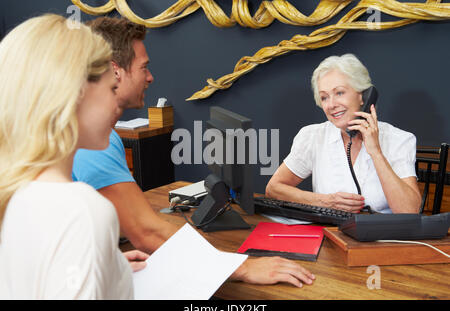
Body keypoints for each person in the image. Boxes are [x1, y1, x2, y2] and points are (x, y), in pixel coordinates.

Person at [73, 17, 316, 288]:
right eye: (144, 67)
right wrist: (242, 267)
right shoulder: (93, 140)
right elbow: (146, 231)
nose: (150, 77)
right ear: (115, 71)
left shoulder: (101, 134)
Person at [0, 14, 149, 299]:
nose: (115, 105)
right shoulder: (81, 211)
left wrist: (110, 267)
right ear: (76, 94)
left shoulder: (16, 190)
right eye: (111, 88)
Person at [266, 54, 421, 214]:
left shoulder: (399, 140)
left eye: (339, 93)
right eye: (324, 97)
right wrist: (325, 202)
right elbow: (274, 188)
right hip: (329, 234)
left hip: (383, 237)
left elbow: (409, 211)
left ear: (364, 96)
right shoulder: (313, 136)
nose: (331, 105)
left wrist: (376, 152)